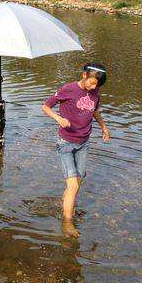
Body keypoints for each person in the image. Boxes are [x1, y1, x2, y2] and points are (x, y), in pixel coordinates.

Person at [42, 63, 110, 230]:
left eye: (97, 85)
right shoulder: (68, 89)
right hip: (66, 143)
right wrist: (58, 119)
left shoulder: (95, 92)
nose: (94, 87)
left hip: (83, 143)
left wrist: (104, 127)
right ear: (84, 75)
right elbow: (46, 106)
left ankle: (65, 204)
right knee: (73, 186)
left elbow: (95, 111)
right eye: (92, 83)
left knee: (75, 186)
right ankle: (67, 225)